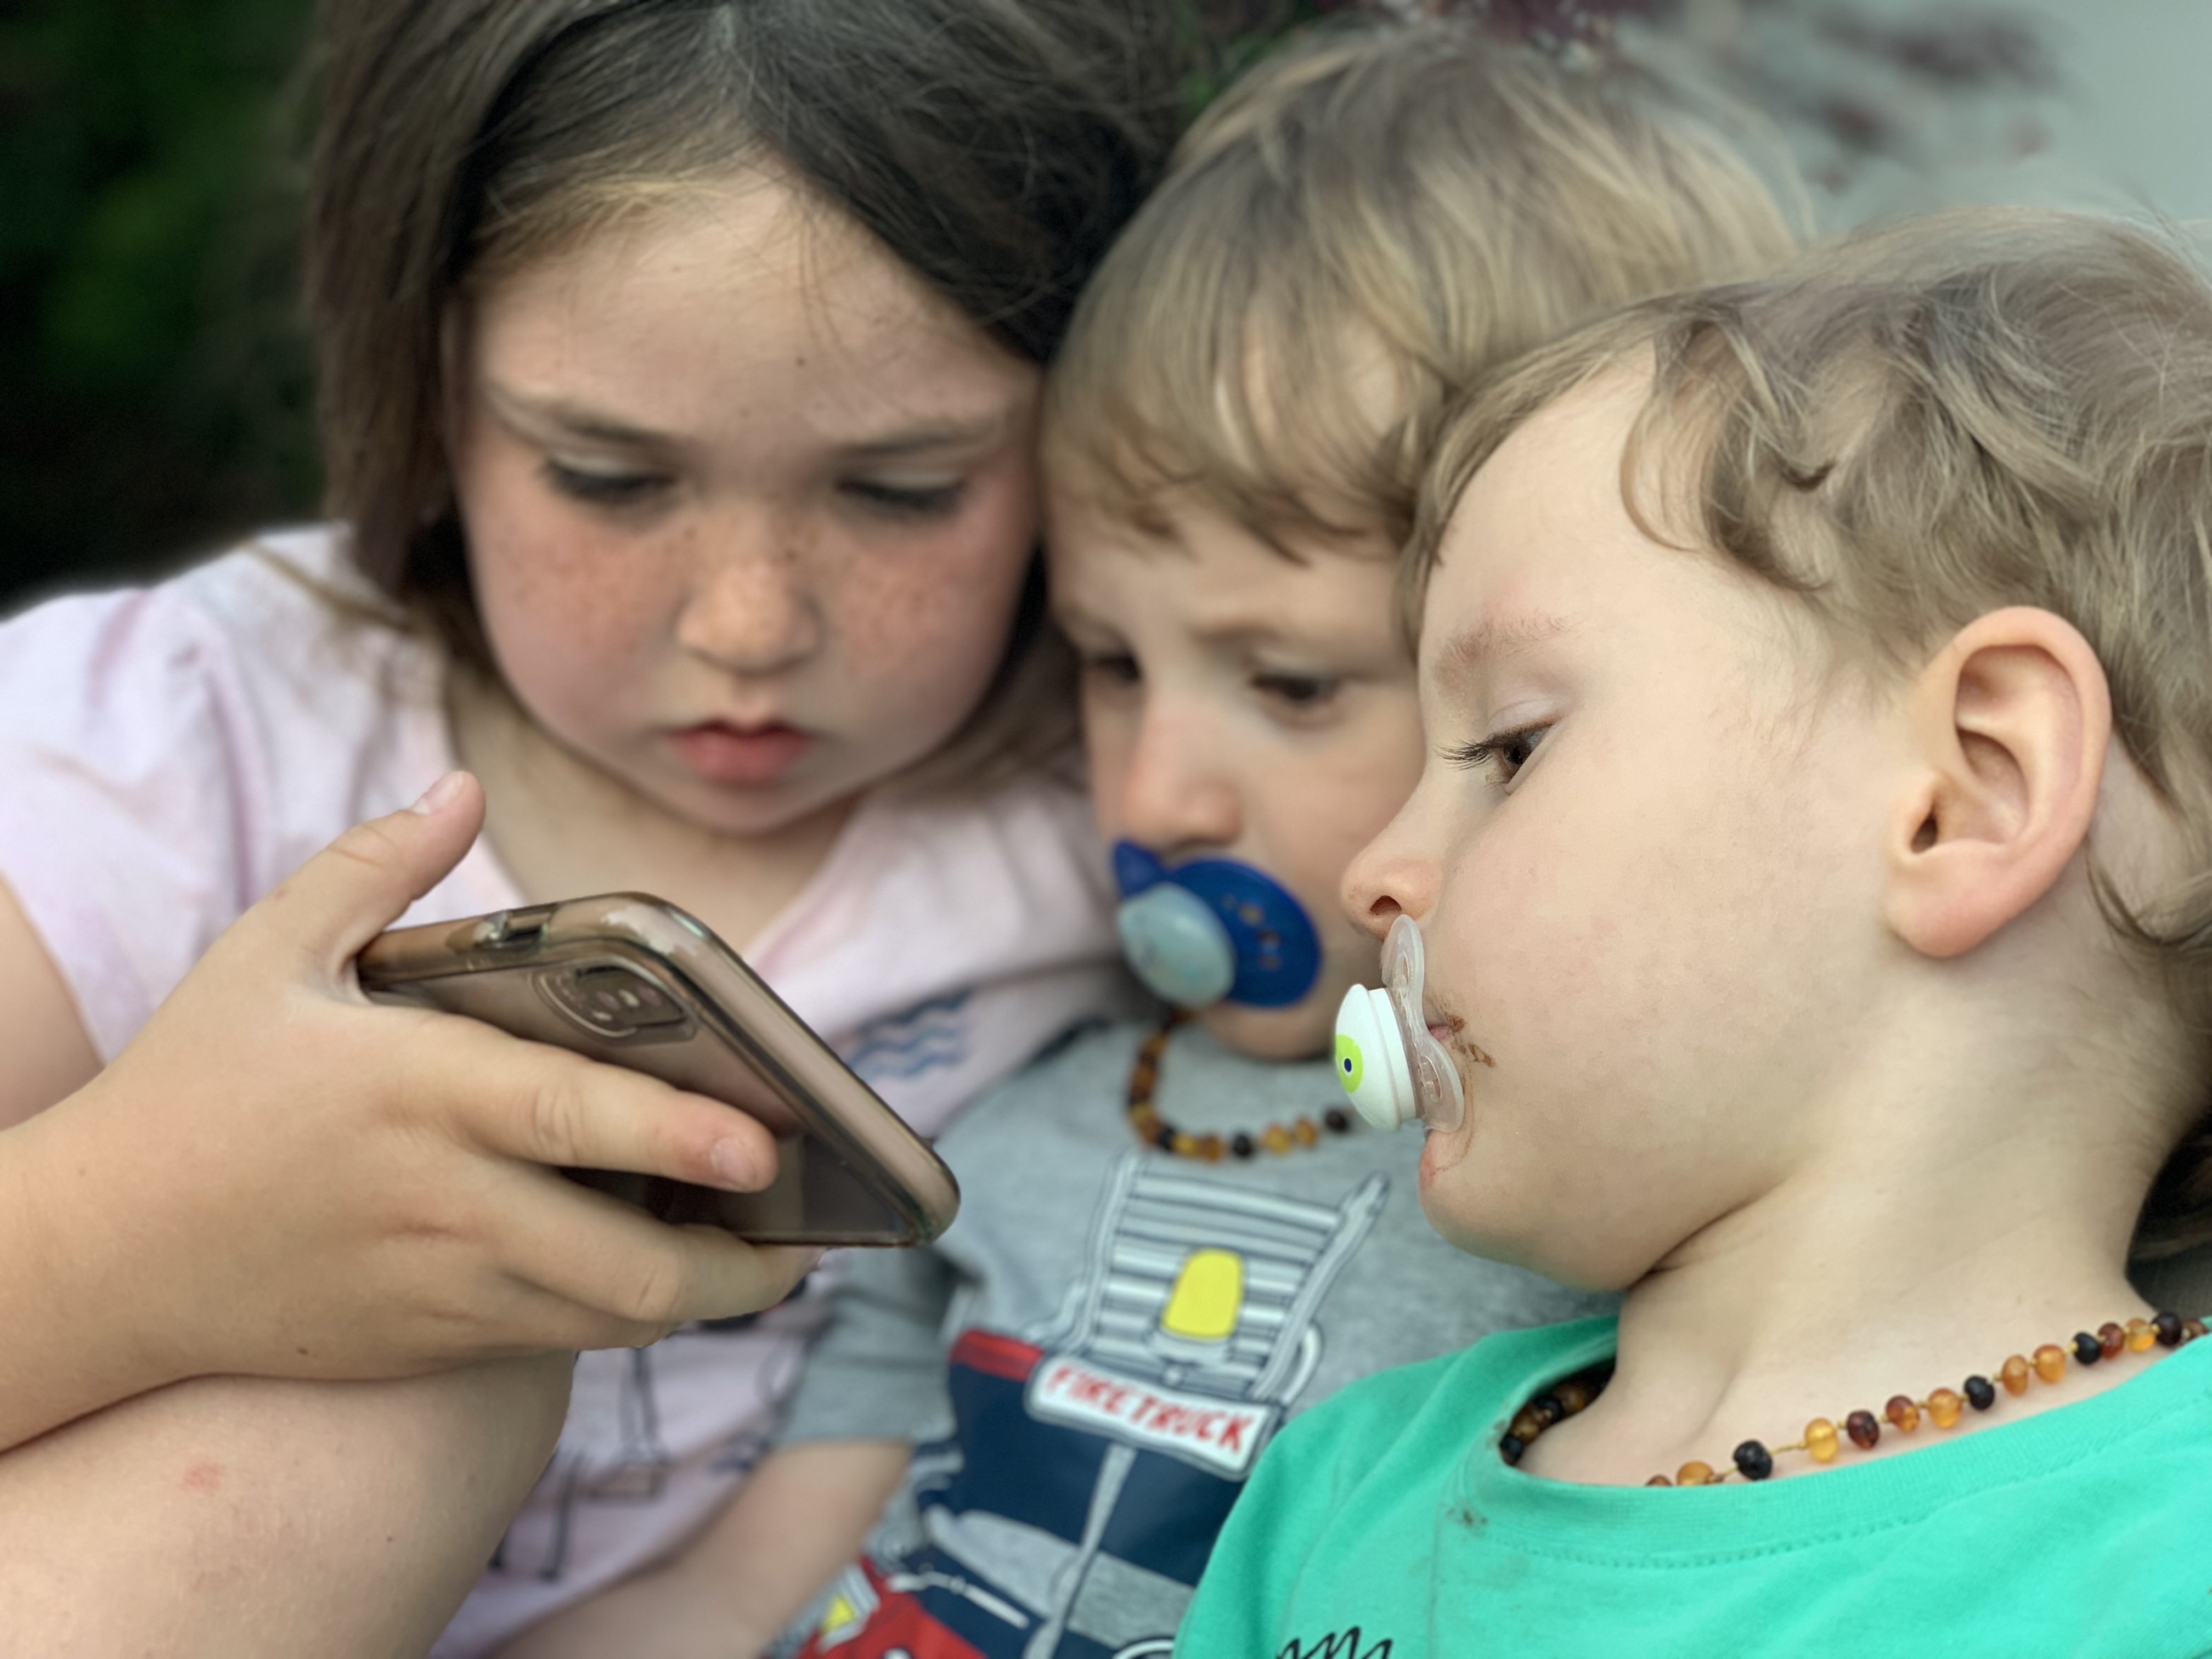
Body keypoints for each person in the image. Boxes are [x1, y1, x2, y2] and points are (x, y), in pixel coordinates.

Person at [486, 22, 1799, 1657]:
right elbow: (733, 1591)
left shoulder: (1620, 1209)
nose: (1162, 791)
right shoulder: (1002, 1134)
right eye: (1113, 664)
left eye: (1292, 682)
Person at [0, 2, 1187, 1652]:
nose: (749, 624)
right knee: (391, 1391)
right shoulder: (167, 751)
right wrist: (160, 1233)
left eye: (904, 490)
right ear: (428, 388)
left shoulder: (1127, 788)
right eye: (609, 478)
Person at [1178, 208, 2212, 1658]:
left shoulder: (2175, 1551)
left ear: (1966, 795)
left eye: (1510, 750)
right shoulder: (1337, 1491)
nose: (1375, 873)